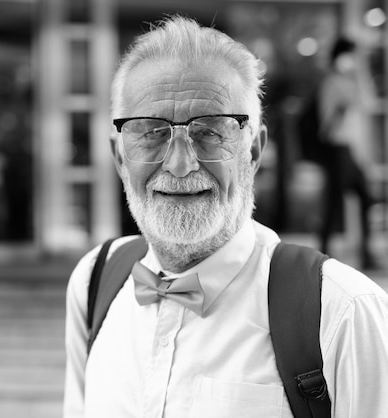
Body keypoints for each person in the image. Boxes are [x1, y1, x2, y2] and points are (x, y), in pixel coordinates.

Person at [63, 15, 388, 417]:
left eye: (210, 132)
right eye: (151, 132)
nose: (180, 165)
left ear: (252, 152)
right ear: (118, 157)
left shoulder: (344, 312)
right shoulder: (93, 282)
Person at [317, 37, 379, 269]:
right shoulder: (331, 82)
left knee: (363, 199)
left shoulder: (353, 80)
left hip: (354, 151)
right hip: (338, 149)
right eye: (351, 55)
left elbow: (368, 103)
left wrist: (360, 77)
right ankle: (325, 252)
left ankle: (366, 252)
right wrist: (341, 110)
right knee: (335, 203)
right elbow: (326, 124)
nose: (354, 60)